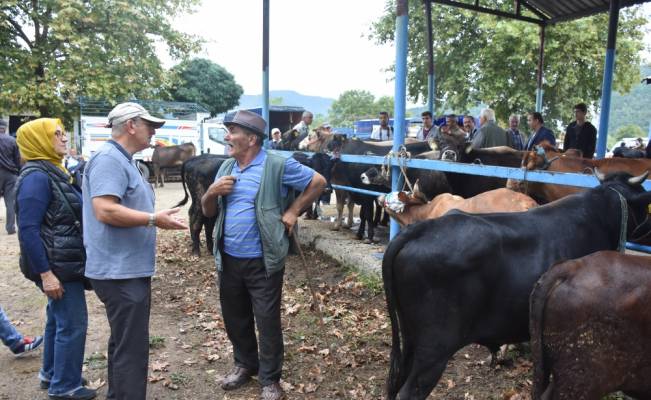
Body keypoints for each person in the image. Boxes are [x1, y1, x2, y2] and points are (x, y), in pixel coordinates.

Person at [201, 110, 326, 400]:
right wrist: (211, 192)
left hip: (263, 259)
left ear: (252, 139)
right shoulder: (226, 168)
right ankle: (245, 364)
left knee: (266, 318)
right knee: (235, 316)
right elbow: (208, 212)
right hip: (229, 258)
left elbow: (318, 182)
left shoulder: (276, 164)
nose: (227, 136)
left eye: (232, 131)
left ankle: (269, 379)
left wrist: (294, 211)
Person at [82, 103, 187, 400]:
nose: (154, 131)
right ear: (130, 125)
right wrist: (154, 219)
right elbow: (104, 210)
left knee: (125, 343)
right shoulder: (109, 160)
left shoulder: (123, 159)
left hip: (125, 269)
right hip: (119, 272)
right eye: (149, 124)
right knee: (132, 349)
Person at [15, 118, 96, 400]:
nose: (63, 139)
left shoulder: (52, 170)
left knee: (57, 320)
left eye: (63, 133)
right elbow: (27, 230)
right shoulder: (37, 177)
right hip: (58, 266)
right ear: (39, 140)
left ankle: (52, 374)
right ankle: (65, 386)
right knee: (73, 325)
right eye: (56, 134)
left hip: (63, 261)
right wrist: (46, 274)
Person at [0, 119, 20, 234]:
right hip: (10, 174)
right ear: (5, 128)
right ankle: (10, 228)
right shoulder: (12, 140)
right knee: (10, 202)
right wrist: (17, 170)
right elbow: (17, 158)